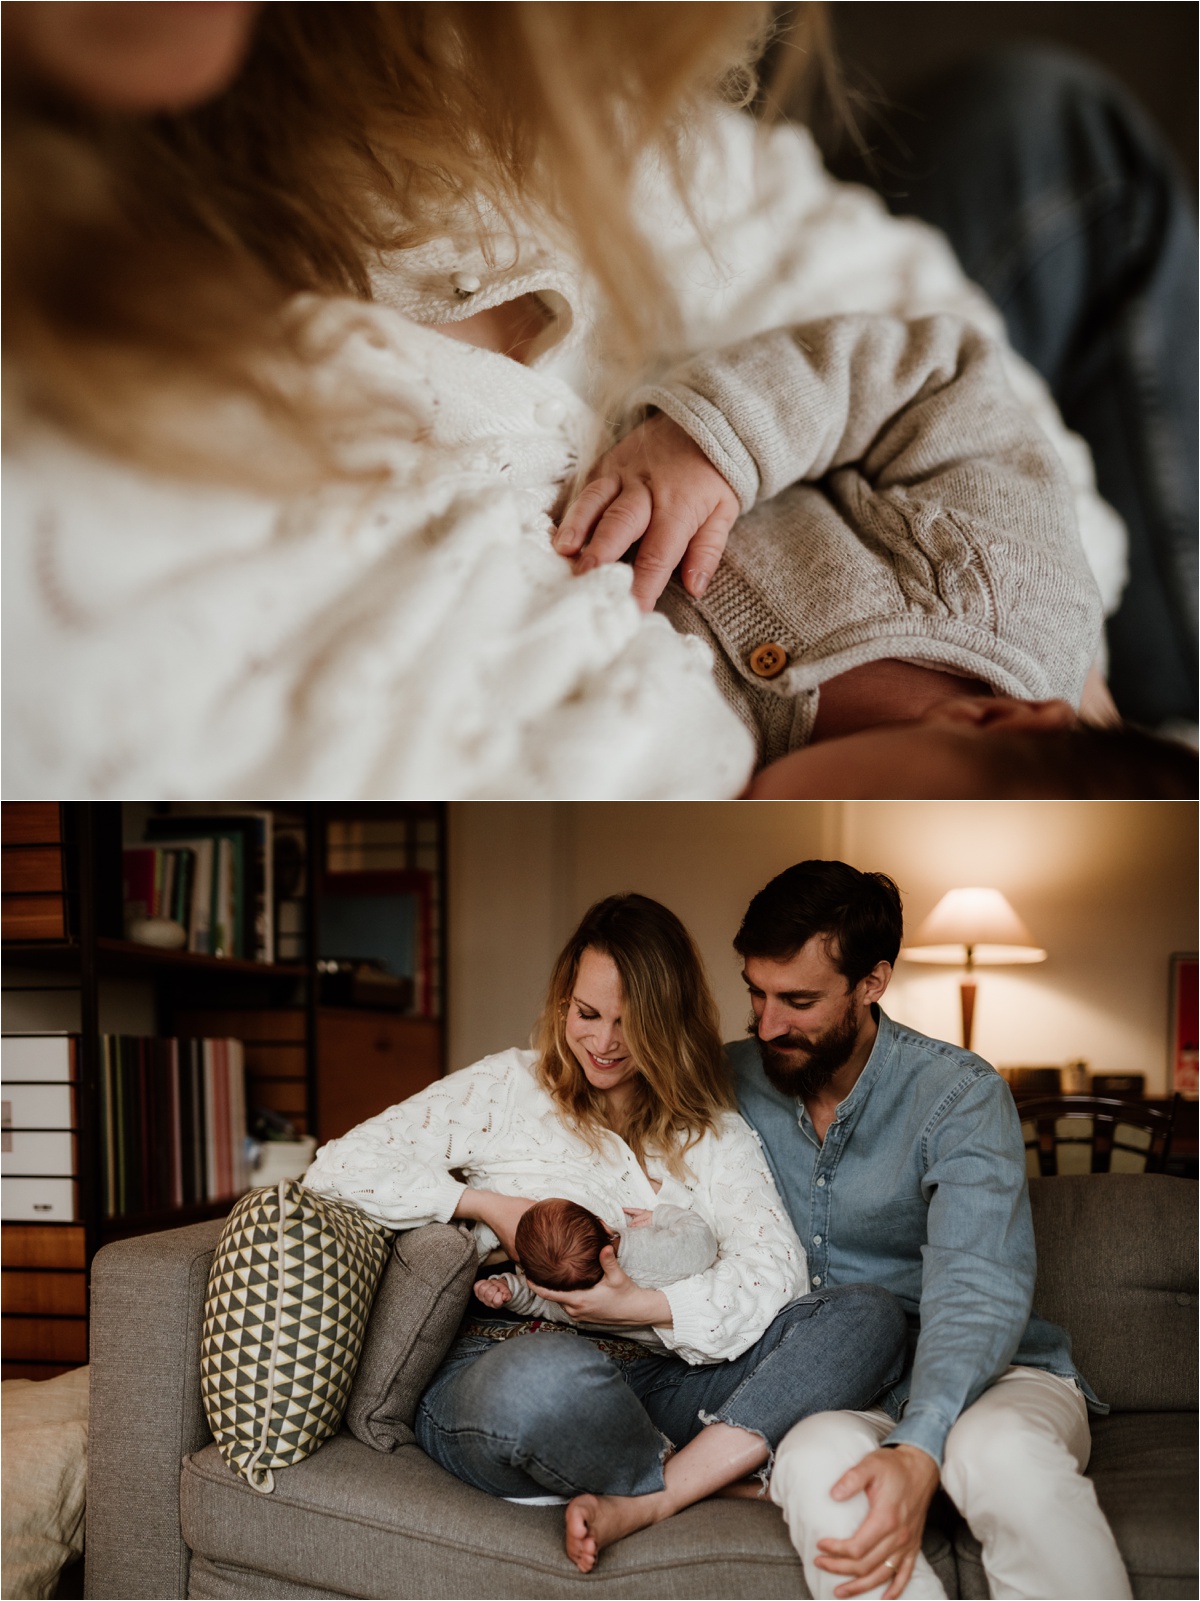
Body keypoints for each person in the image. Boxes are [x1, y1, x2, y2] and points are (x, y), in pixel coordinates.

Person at [5, 2, 1189, 799]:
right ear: (991, 722)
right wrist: (721, 444)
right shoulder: (1015, 584)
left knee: (1046, 123)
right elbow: (944, 378)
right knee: (1057, 138)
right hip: (798, 407)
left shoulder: (716, 762)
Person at [304, 892, 908, 1574]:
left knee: (867, 1314)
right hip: (512, 1359)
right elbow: (339, 1166)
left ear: (669, 1023)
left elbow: (776, 1272)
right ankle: (717, 1470)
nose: (604, 1042)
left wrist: (641, 1306)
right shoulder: (510, 1086)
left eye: (632, 1023)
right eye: (587, 1014)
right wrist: (487, 1204)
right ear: (565, 1002)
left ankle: (657, 1492)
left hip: (669, 1375)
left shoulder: (708, 1129)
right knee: (546, 1384)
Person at [726, 860, 1130, 1600]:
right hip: (843, 1386)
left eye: (799, 999)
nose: (768, 1023)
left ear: (872, 982)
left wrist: (921, 1441)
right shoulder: (729, 1078)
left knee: (996, 1451)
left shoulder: (960, 1095)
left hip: (996, 1378)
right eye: (755, 992)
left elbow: (977, 1286)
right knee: (814, 1460)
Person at [474, 1196, 719, 1349]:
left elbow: (532, 1300)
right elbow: (702, 1237)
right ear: (602, 1224)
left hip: (666, 1347)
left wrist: (506, 1288)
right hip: (702, 1327)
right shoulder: (655, 1251)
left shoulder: (571, 1305)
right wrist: (660, 1215)